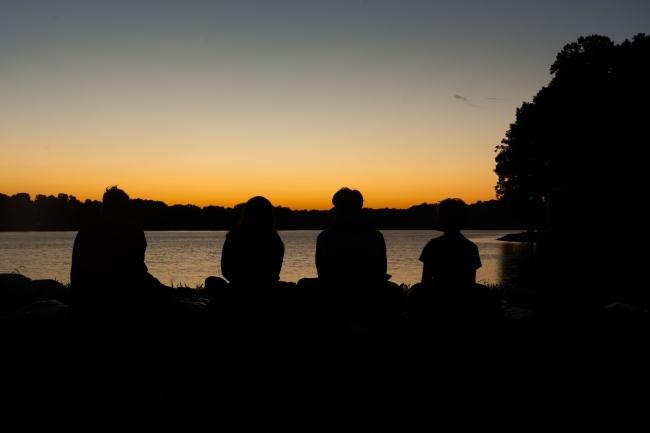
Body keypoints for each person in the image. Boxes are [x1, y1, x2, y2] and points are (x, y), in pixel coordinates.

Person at [299, 187, 403, 328]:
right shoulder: (375, 236)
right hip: (370, 294)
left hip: (335, 294)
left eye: (336, 207)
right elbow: (382, 270)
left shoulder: (325, 237)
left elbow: (322, 273)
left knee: (303, 285)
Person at [70, 186, 170, 311]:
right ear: (125, 210)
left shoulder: (85, 232)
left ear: (105, 207)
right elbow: (137, 270)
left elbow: (76, 272)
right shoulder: (135, 232)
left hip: (90, 292)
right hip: (121, 291)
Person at [409, 198, 499, 319]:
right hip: (463, 299)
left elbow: (425, 282)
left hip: (438, 298)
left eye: (439, 216)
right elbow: (469, 283)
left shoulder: (433, 246)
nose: (436, 219)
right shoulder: (470, 247)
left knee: (414, 290)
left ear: (447, 219)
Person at [205, 196, 288, 318]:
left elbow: (226, 269)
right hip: (268, 290)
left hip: (240, 289)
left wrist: (241, 283)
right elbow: (275, 271)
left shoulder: (235, 235)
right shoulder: (274, 238)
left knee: (211, 282)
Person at [535, 189, 601, 320]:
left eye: (549, 209)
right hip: (589, 304)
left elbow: (542, 280)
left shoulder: (546, 238)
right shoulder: (589, 236)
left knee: (510, 293)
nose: (547, 213)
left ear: (557, 211)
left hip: (555, 303)